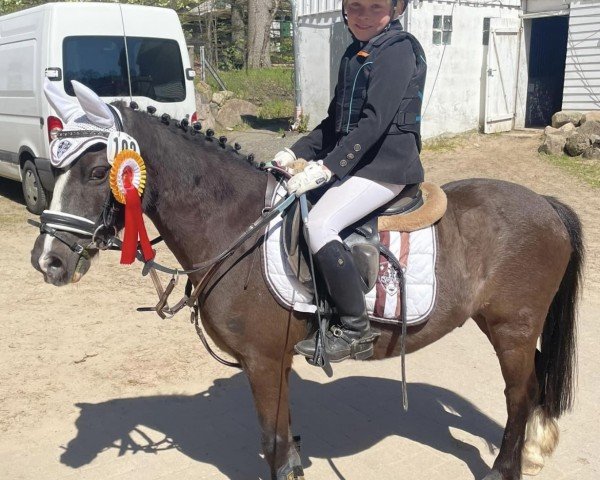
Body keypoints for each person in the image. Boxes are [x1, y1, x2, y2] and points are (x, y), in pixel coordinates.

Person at [273, 0, 427, 362]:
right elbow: (333, 124)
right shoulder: (354, 54)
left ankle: (355, 329)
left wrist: (329, 167)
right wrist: (294, 153)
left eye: (375, 7)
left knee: (321, 223)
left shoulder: (398, 51)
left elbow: (373, 123)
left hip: (386, 166)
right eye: (355, 7)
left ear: (397, 9)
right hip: (360, 161)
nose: (363, 16)